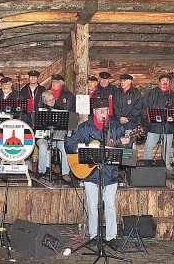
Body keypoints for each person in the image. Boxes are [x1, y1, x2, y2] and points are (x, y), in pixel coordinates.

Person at [66, 100, 130, 246]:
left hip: (110, 172)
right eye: (100, 109)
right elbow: (69, 144)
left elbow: (125, 149)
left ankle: (111, 237)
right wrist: (84, 151)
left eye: (105, 109)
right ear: (94, 112)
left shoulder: (115, 127)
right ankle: (94, 235)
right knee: (93, 205)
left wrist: (127, 143)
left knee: (110, 205)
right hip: (90, 173)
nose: (103, 112)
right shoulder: (84, 128)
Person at [143, 74, 174, 169]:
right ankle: (147, 165)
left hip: (168, 127)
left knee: (167, 148)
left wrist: (172, 119)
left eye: (167, 80)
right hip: (153, 127)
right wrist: (147, 122)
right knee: (148, 147)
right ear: (159, 82)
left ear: (169, 82)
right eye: (163, 80)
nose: (165, 82)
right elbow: (145, 108)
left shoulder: (173, 95)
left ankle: (166, 166)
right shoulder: (151, 93)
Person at [36, 90, 70, 179]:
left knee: (64, 147)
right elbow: (37, 127)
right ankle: (41, 171)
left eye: (53, 99)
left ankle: (65, 173)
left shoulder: (61, 110)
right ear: (44, 101)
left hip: (57, 138)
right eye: (49, 100)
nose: (52, 102)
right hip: (43, 137)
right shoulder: (40, 111)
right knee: (43, 146)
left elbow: (66, 126)